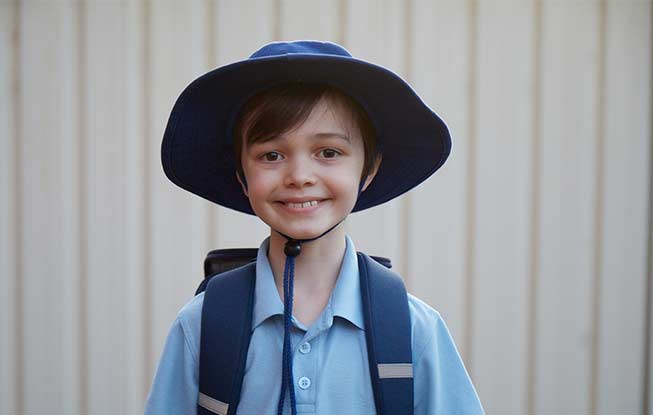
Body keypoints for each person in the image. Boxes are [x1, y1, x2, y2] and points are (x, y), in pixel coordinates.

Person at [145, 40, 484, 414]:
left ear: (368, 169)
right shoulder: (202, 326)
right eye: (271, 155)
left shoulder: (412, 330)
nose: (300, 177)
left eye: (329, 152)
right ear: (242, 176)